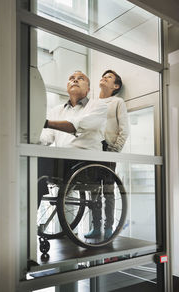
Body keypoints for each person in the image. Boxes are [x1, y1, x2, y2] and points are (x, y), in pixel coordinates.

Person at [38, 71, 107, 207]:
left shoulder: (98, 106)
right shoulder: (57, 110)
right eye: (71, 79)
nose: (75, 80)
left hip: (85, 163)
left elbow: (78, 125)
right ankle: (29, 215)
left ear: (88, 89)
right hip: (62, 162)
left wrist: (46, 122)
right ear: (67, 87)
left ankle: (27, 219)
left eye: (80, 79)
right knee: (31, 163)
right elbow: (46, 138)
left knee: (38, 166)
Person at [84, 69, 129, 239]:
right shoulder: (92, 103)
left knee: (108, 191)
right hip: (92, 149)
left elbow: (124, 130)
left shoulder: (117, 102)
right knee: (93, 191)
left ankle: (108, 228)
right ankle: (96, 228)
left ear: (115, 86)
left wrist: (114, 151)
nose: (104, 77)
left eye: (109, 77)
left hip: (109, 149)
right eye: (103, 76)